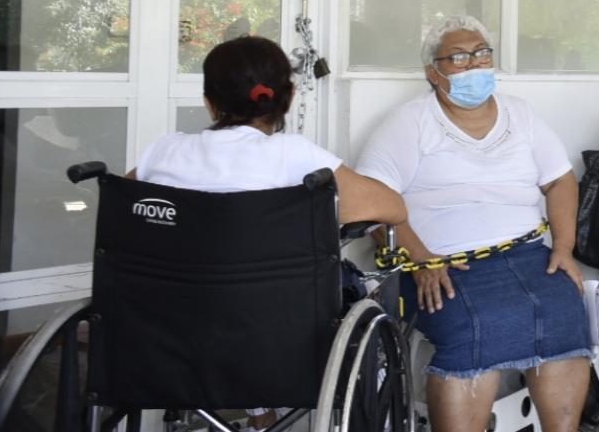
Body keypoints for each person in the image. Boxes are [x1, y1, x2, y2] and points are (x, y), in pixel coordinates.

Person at [128, 36, 407, 431]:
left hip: (170, 336)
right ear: (288, 98)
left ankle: (262, 415)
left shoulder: (162, 154)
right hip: (278, 339)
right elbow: (392, 208)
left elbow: (123, 208)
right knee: (327, 291)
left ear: (209, 101)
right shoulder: (296, 157)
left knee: (228, 290)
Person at [356, 15, 590, 432]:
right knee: (474, 324)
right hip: (441, 265)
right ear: (433, 73)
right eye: (459, 57)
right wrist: (423, 261)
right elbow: (372, 204)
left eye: (482, 54)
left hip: (525, 253)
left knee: (565, 309)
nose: (474, 65)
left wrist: (563, 247)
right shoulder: (408, 123)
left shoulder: (521, 114)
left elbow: (559, 179)